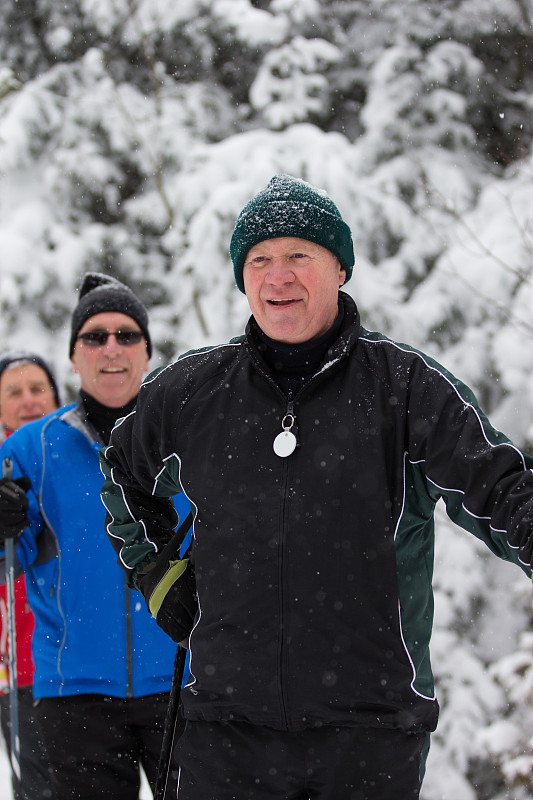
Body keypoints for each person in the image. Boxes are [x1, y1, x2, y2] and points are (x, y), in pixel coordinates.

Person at [99, 174, 533, 800]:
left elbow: (501, 489)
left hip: (371, 730)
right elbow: (122, 469)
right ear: (242, 279)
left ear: (340, 270)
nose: (278, 277)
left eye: (299, 256)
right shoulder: (194, 393)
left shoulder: (405, 389)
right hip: (225, 731)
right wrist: (159, 574)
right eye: (260, 261)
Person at [0, 273, 189, 800]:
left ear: (148, 354)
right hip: (74, 692)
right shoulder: (29, 448)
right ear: (73, 357)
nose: (112, 348)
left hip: (182, 680)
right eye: (95, 336)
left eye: (127, 335)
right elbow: (8, 560)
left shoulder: (187, 436)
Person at [0, 352, 60, 800]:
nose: (28, 401)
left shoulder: (86, 459)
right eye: (14, 392)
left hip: (84, 664)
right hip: (20, 667)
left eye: (38, 388)